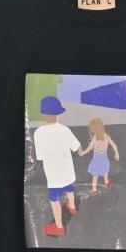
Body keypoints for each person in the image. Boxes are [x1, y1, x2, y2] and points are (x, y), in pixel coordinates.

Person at [33, 96, 82, 236]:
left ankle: (59, 227)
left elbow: (40, 156)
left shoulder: (38, 133)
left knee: (55, 201)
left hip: (53, 176)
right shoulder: (65, 130)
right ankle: (72, 207)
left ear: (42, 114)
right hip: (68, 172)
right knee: (70, 190)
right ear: (59, 114)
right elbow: (77, 147)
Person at [80, 117, 120, 195]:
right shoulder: (106, 136)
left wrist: (83, 152)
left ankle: (94, 190)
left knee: (95, 176)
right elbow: (114, 145)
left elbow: (89, 148)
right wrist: (117, 153)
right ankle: (106, 182)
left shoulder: (95, 137)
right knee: (105, 171)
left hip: (96, 159)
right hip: (104, 158)